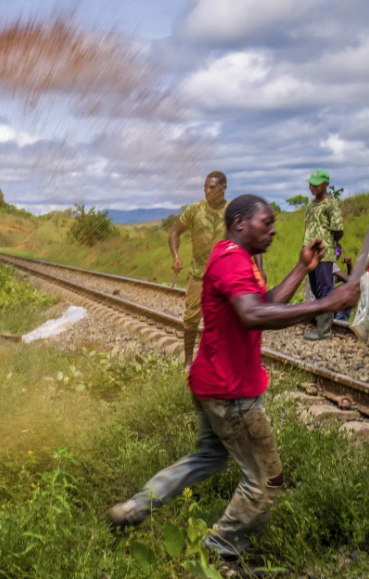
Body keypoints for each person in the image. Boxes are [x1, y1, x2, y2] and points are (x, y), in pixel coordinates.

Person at [108, 195, 360, 561]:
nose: (273, 230)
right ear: (240, 223)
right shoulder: (230, 260)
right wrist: (327, 304)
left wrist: (303, 267)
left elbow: (267, 302)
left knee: (207, 458)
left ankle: (134, 507)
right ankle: (219, 551)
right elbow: (253, 315)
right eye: (266, 223)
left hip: (213, 382)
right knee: (265, 479)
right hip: (231, 393)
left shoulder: (237, 259)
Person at [169, 171, 229, 370]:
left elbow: (248, 237)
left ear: (223, 188)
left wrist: (257, 267)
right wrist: (176, 256)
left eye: (212, 188)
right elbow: (175, 232)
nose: (207, 191)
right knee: (191, 317)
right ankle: (188, 361)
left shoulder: (232, 211)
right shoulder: (195, 209)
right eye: (205, 187)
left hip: (223, 276)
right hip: (198, 274)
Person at [302, 169, 344, 340]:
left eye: (317, 184)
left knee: (326, 290)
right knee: (316, 289)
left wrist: (329, 244)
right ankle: (320, 324)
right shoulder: (311, 205)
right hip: (310, 254)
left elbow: (338, 230)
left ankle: (324, 331)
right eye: (311, 183)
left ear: (326, 184)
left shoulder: (330, 204)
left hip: (324, 255)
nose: (313, 187)